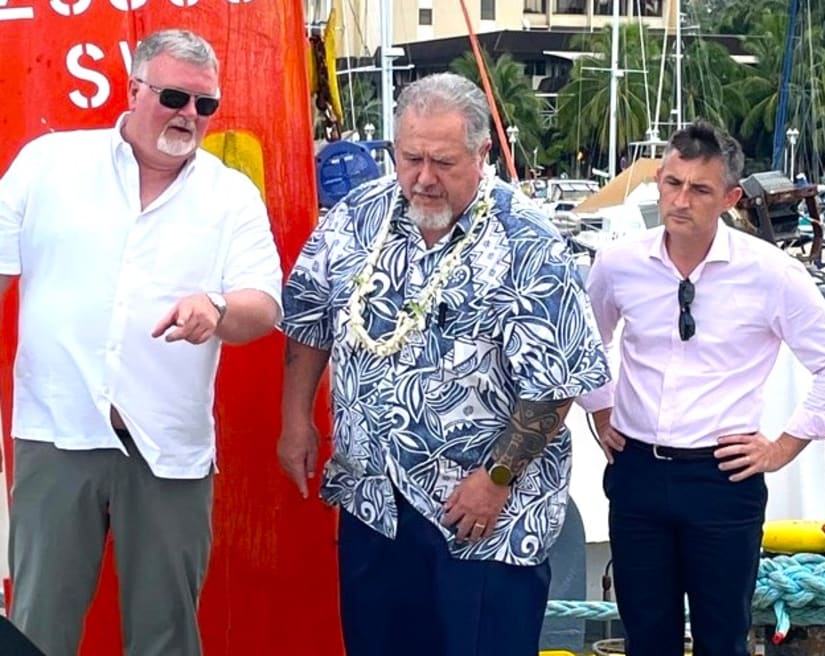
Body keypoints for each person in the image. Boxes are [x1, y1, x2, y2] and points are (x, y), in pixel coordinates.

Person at [278, 72, 609, 656]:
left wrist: (496, 479)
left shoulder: (526, 241)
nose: (424, 179)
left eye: (444, 162)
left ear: (482, 155)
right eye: (410, 159)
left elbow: (556, 384)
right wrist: (295, 417)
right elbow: (308, 315)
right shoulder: (359, 215)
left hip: (482, 516)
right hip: (373, 501)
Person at [0, 29, 283, 656]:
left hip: (168, 448)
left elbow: (263, 305)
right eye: (175, 97)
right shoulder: (50, 163)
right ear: (134, 89)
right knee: (36, 628)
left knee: (166, 636)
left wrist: (216, 307)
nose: (190, 116)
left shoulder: (230, 195)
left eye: (205, 105)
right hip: (56, 432)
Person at [577, 120, 825, 655]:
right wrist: (600, 407)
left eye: (699, 189)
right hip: (637, 472)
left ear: (730, 197)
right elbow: (585, 341)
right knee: (645, 638)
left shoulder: (770, 273)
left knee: (723, 640)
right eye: (671, 183)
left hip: (722, 479)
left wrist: (782, 447)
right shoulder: (618, 264)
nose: (680, 200)